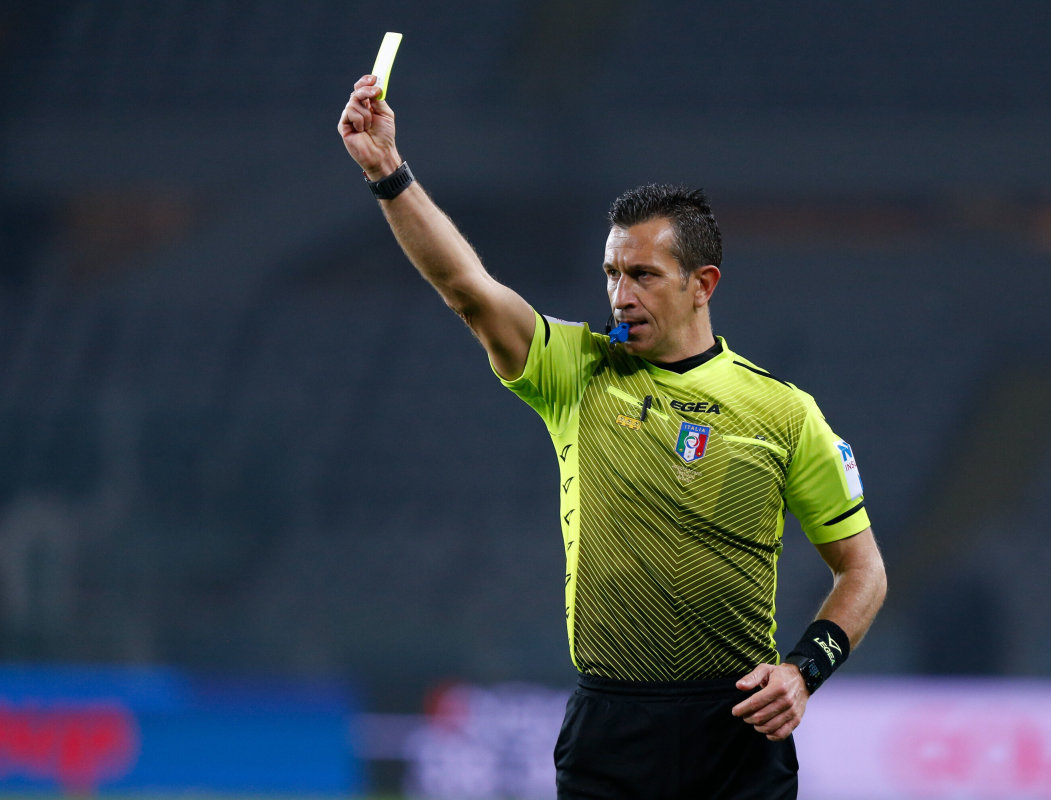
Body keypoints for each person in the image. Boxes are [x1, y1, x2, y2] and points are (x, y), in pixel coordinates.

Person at [338, 74, 887, 799]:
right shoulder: (576, 370)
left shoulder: (783, 413)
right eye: (611, 274)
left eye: (643, 275)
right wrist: (387, 172)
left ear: (702, 284)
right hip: (611, 727)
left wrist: (804, 670)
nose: (620, 296)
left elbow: (863, 570)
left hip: (738, 730)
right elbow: (467, 288)